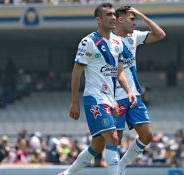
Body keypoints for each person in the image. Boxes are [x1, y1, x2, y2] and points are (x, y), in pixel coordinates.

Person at [58, 3, 136, 175]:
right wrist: (74, 102)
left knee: (98, 145)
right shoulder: (89, 42)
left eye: (114, 14)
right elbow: (76, 73)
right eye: (108, 15)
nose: (113, 17)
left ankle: (67, 173)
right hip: (94, 98)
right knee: (113, 138)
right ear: (98, 19)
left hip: (109, 99)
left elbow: (119, 72)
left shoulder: (117, 42)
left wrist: (127, 92)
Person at [113, 6, 166, 175]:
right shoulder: (108, 40)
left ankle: (121, 165)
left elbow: (160, 34)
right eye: (132, 19)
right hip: (116, 96)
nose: (135, 22)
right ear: (121, 20)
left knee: (147, 135)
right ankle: (113, 171)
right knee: (116, 140)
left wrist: (142, 15)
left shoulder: (133, 37)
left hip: (134, 96)